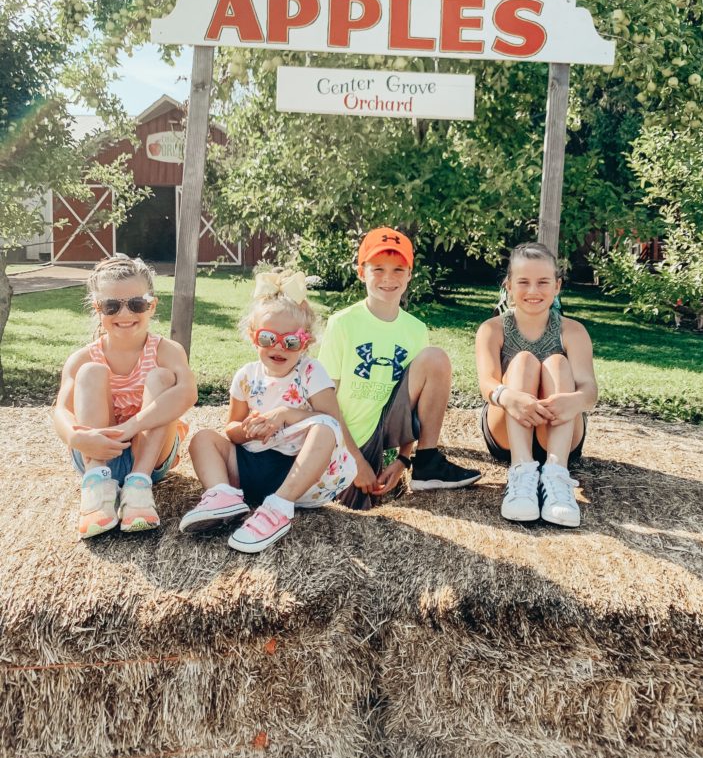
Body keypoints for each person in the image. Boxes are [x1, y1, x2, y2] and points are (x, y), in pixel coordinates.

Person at [180, 269, 356, 553]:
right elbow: (231, 430)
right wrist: (247, 429)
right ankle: (223, 495)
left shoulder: (311, 372)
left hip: (297, 474)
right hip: (249, 469)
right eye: (267, 338)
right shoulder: (246, 376)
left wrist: (285, 414)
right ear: (253, 336)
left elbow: (331, 422)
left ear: (306, 342)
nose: (278, 347)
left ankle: (278, 508)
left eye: (290, 341)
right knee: (203, 438)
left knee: (325, 429)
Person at [318, 227, 481, 511]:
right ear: (361, 272)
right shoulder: (342, 323)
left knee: (435, 358)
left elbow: (413, 404)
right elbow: (325, 400)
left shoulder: (415, 329)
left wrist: (404, 458)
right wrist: (354, 459)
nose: (388, 278)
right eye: (378, 269)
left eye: (398, 270)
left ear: (409, 275)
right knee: (348, 509)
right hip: (349, 438)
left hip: (388, 426)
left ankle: (426, 463)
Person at [53, 255, 197, 539]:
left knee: (162, 378)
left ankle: (138, 488)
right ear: (97, 308)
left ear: (151, 305)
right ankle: (96, 488)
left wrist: (130, 428)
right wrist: (76, 437)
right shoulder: (82, 357)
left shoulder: (167, 351)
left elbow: (188, 393)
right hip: (96, 452)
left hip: (151, 457)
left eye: (136, 304)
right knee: (90, 372)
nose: (124, 314)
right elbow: (61, 411)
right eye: (111, 306)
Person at [475, 242, 598, 528]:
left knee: (557, 363)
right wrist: (510, 398)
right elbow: (486, 383)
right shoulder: (492, 329)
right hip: (506, 432)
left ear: (557, 286)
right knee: (522, 361)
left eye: (543, 282)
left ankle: (556, 474)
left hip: (560, 433)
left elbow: (590, 391)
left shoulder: (573, 331)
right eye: (523, 282)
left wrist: (573, 401)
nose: (533, 291)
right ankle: (521, 473)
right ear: (508, 286)